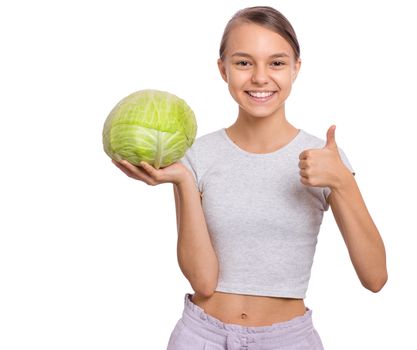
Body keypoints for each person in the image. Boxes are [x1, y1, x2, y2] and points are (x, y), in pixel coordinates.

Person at [113, 5, 387, 350]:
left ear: (296, 69)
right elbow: (204, 283)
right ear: (222, 68)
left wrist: (342, 182)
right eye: (243, 62)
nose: (260, 77)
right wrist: (182, 181)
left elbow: (375, 278)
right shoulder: (196, 155)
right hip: (201, 337)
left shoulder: (324, 158)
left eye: (276, 63)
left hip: (288, 340)